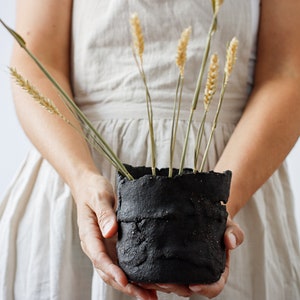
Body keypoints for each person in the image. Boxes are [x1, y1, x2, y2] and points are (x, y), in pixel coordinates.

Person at [0, 0, 299, 299]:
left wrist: (216, 209)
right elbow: (37, 57)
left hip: (237, 176)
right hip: (82, 176)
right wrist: (82, 181)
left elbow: (287, 71)